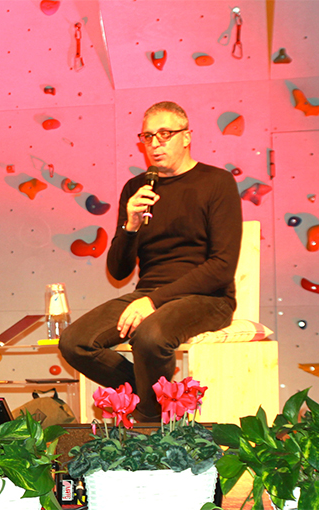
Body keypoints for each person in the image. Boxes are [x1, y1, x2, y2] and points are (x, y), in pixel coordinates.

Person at [59, 101, 242, 421]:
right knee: (74, 342)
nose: (155, 144)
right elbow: (118, 271)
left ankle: (149, 423)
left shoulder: (217, 182)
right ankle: (156, 398)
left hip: (208, 297)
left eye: (165, 134)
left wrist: (153, 302)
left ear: (187, 137)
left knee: (150, 335)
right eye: (148, 136)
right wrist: (129, 225)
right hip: (149, 293)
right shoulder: (137, 188)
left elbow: (222, 266)